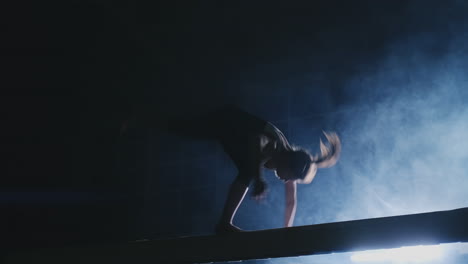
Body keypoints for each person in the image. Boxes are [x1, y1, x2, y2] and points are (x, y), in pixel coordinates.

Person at [164, 105, 341, 234]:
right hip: (227, 121)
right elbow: (256, 141)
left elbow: (290, 201)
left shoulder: (289, 164)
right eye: (289, 177)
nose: (286, 181)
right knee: (248, 170)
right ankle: (224, 224)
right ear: (288, 163)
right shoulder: (276, 146)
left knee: (182, 128)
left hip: (232, 134)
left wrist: (287, 231)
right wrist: (259, 179)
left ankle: (159, 119)